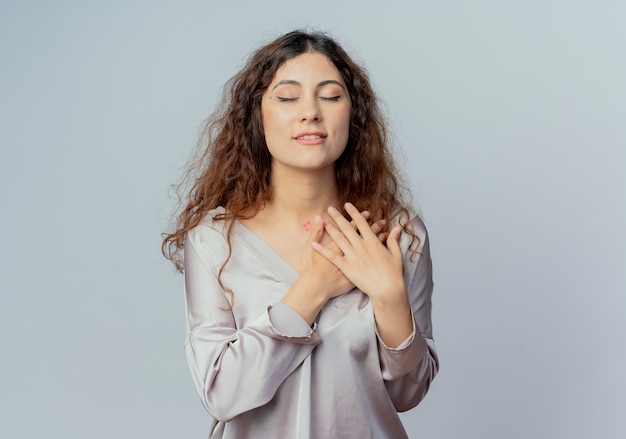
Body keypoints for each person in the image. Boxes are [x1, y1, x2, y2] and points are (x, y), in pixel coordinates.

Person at [162, 29, 438, 439]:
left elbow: (407, 393)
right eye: (288, 97)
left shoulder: (397, 233)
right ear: (257, 115)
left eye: (330, 96)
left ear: (353, 113)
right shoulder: (216, 241)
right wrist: (313, 288)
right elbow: (222, 393)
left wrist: (389, 298)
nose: (310, 112)